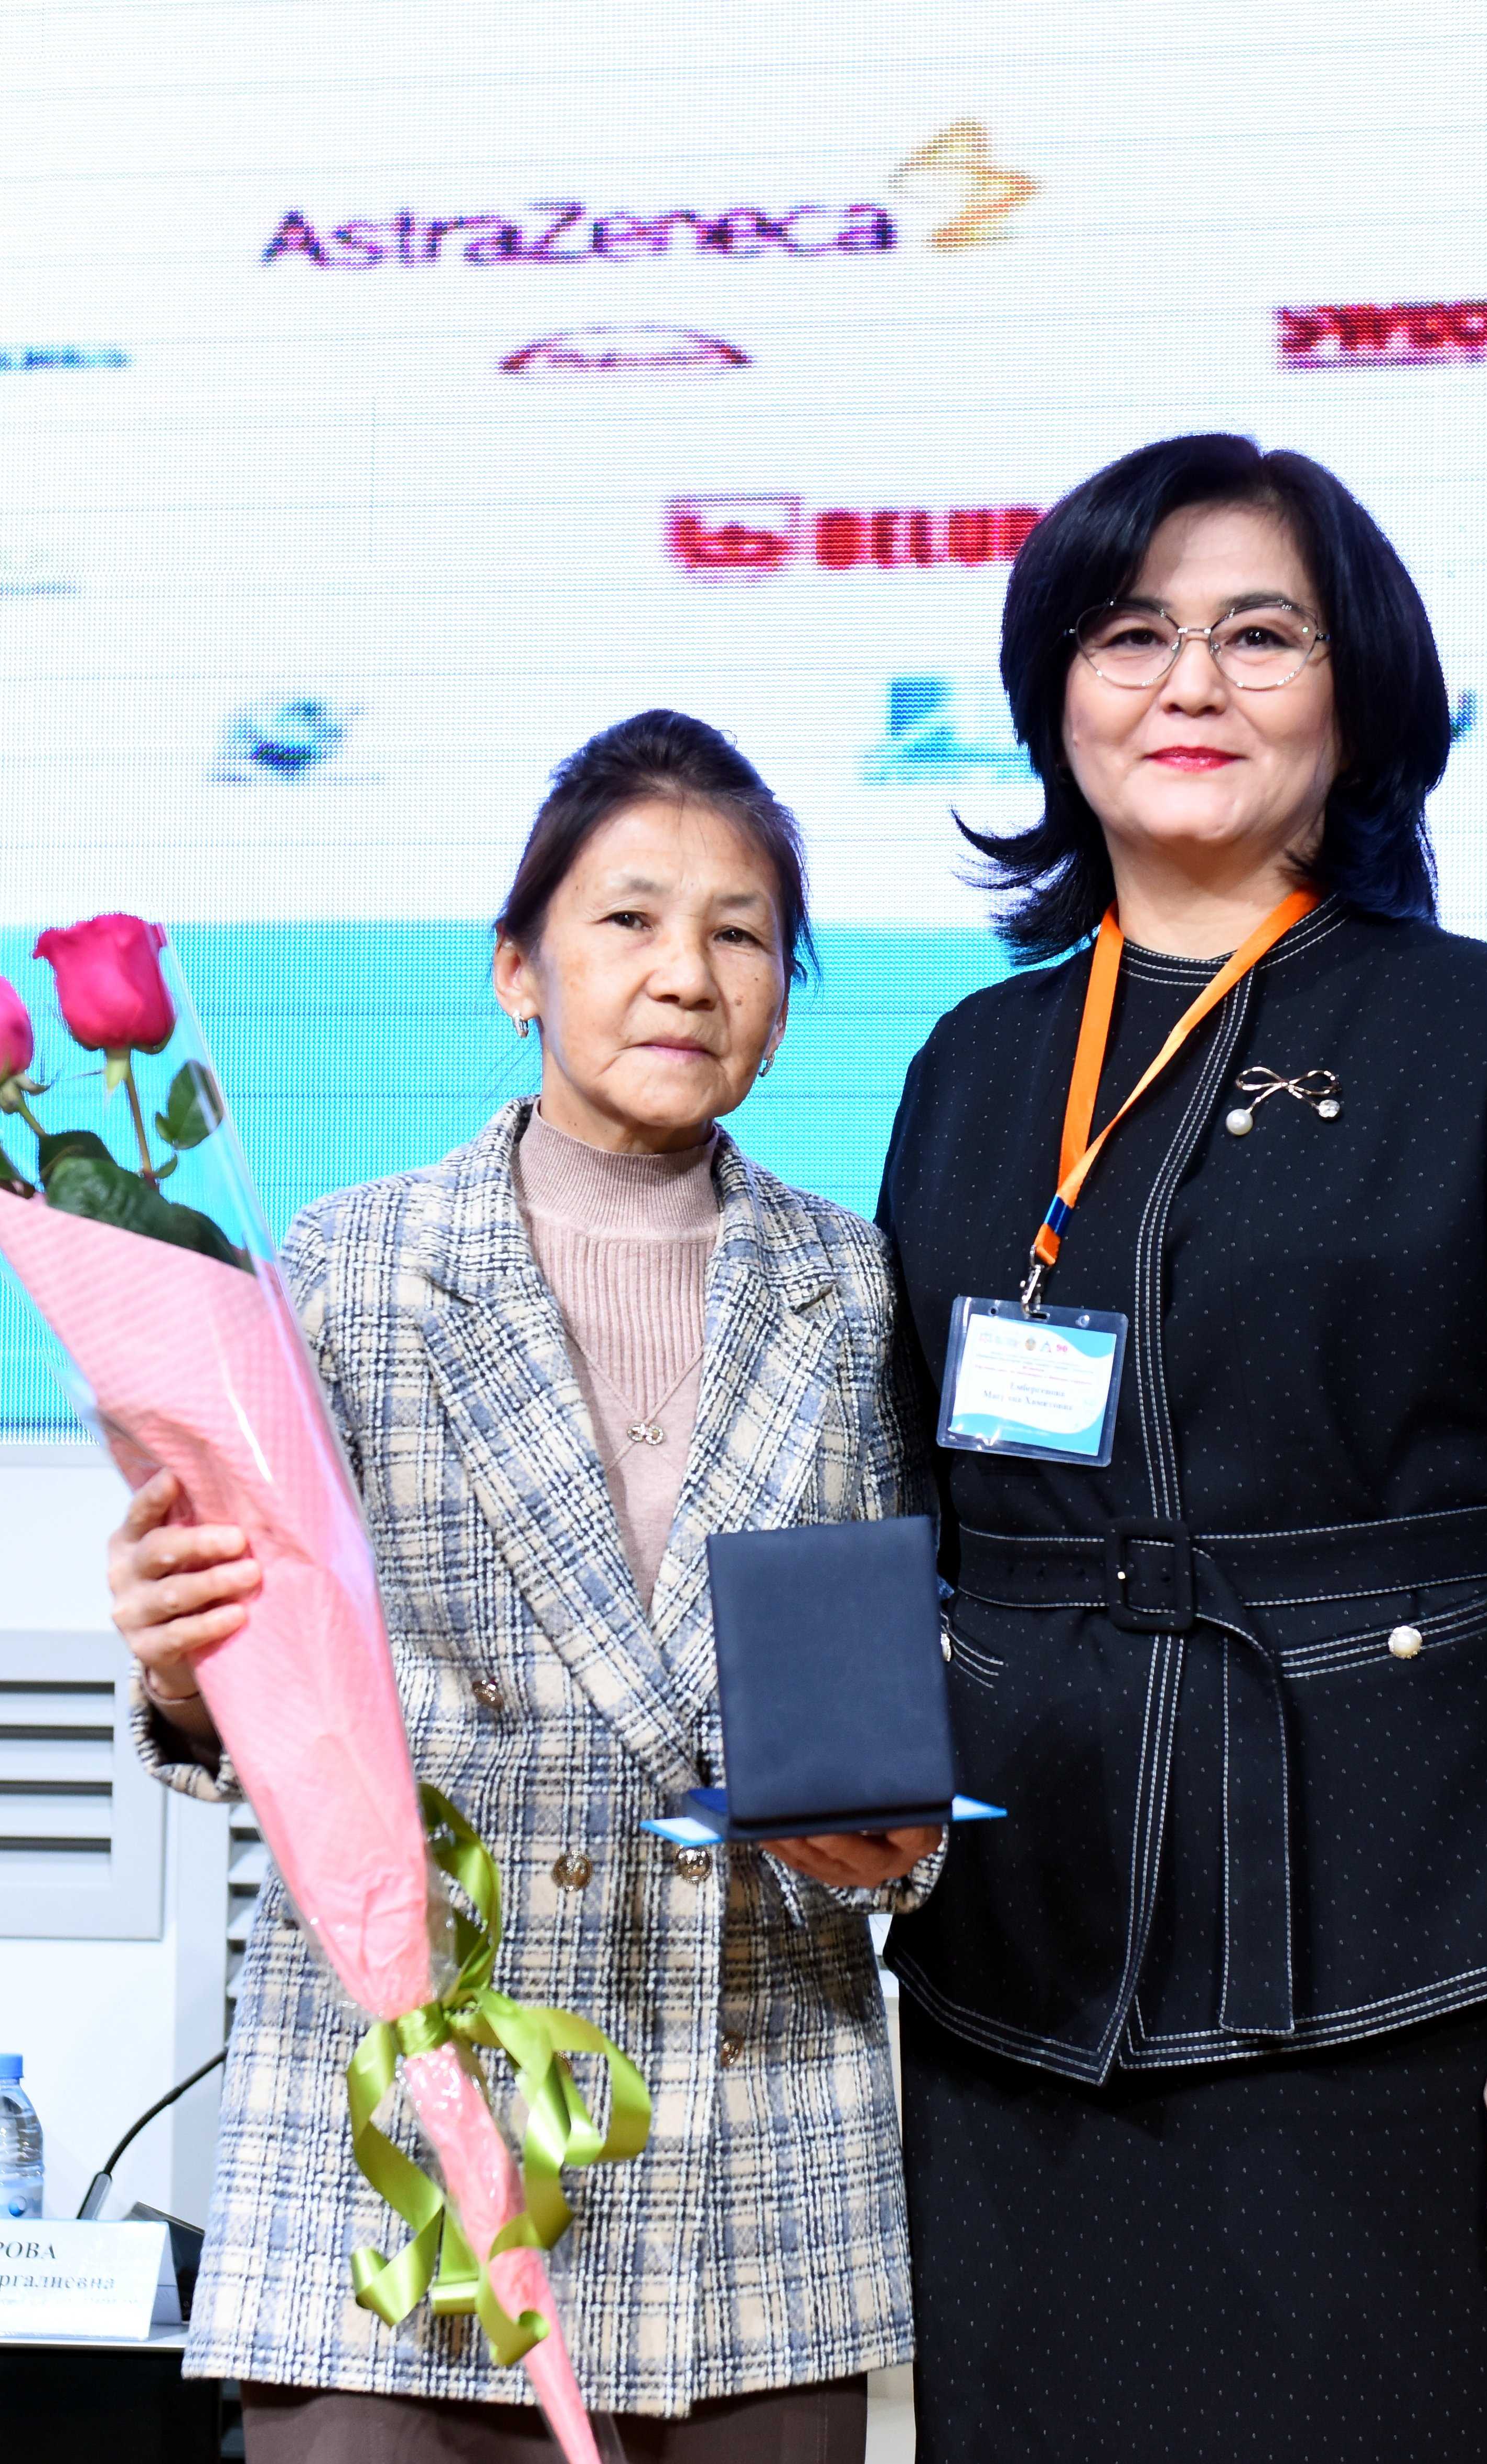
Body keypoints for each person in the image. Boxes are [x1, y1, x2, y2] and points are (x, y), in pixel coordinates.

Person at [875, 434, 1487, 2461]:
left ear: (1360, 699)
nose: (1190, 683)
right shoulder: (974, 1064)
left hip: (1404, 1992)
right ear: (1054, 696)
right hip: (1021, 1999)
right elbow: (905, 1512)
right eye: (1131, 635)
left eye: (1260, 635)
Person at [110, 709, 937, 2464]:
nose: (685, 972)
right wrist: (182, 1660)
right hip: (410, 2139)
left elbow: (901, 1666)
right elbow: (251, 1688)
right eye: (627, 919)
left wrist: (898, 1840)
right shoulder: (349, 1263)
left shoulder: (855, 1286)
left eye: (739, 933)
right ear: (516, 970)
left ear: (783, 1000)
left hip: (758, 2151)